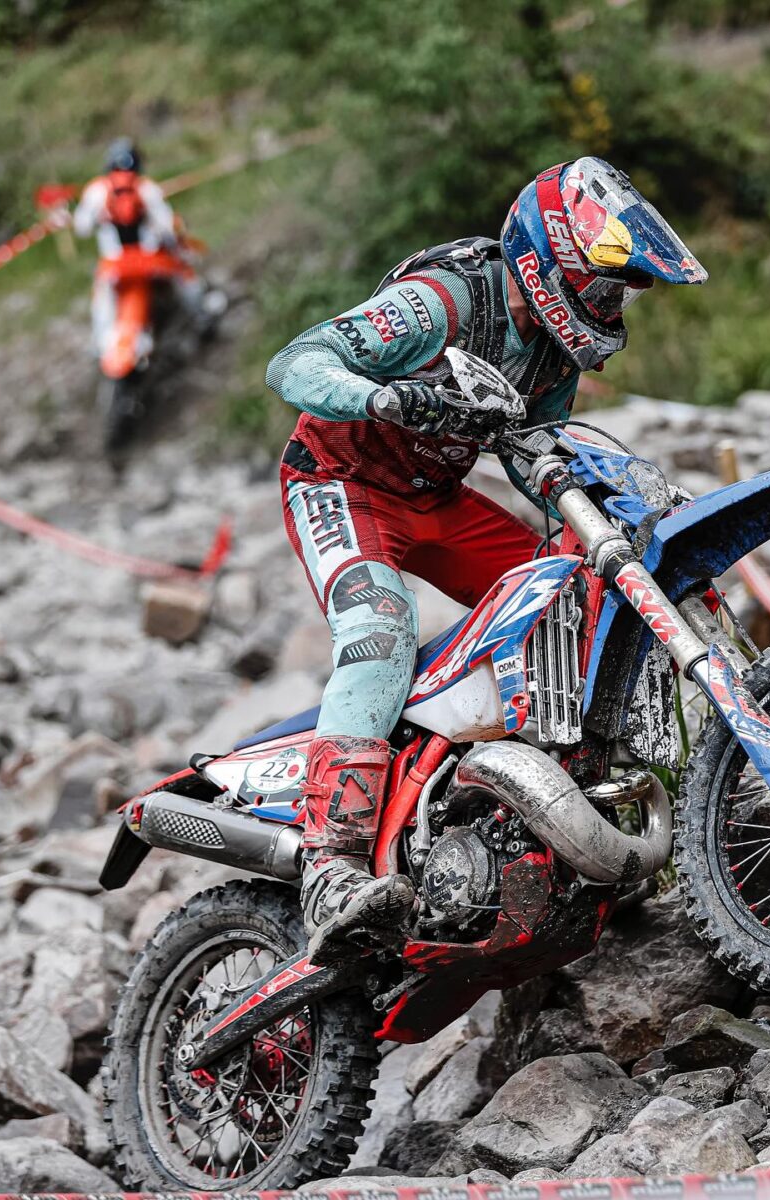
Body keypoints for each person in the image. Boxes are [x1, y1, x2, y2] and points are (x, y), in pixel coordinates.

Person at [265, 157, 706, 958]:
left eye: (623, 293)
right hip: (339, 480)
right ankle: (330, 862)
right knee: (380, 630)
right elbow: (293, 363)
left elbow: (538, 456)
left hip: (436, 498)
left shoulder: (552, 354)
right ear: (556, 258)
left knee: (572, 589)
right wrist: (381, 395)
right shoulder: (443, 302)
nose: (612, 306)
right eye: (606, 285)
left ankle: (562, 803)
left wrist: (616, 512)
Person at [71, 138, 215, 359]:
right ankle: (202, 319)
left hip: (114, 265)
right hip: (151, 260)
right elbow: (167, 227)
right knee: (186, 280)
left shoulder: (96, 190)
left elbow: (81, 228)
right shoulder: (146, 188)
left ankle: (101, 345)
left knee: (102, 302)